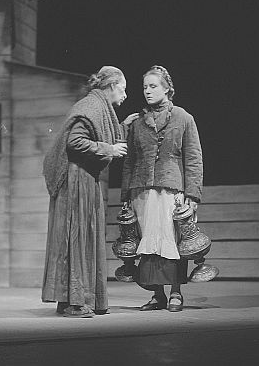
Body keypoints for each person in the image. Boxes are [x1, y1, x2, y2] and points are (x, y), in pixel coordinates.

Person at [42, 66, 138, 318]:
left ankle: (70, 300)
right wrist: (109, 149)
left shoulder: (98, 107)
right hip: (75, 181)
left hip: (82, 179)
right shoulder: (91, 107)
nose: (125, 95)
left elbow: (101, 131)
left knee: (79, 237)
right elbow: (76, 142)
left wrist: (123, 127)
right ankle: (74, 302)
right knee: (77, 237)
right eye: (123, 88)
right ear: (110, 86)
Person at [120, 65, 203, 312]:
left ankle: (176, 292)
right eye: (145, 87)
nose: (147, 91)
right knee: (148, 242)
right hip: (142, 189)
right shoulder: (137, 123)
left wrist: (193, 194)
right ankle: (157, 295)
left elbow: (193, 158)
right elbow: (129, 161)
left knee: (173, 241)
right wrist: (125, 195)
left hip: (172, 188)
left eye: (153, 86)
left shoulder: (184, 118)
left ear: (167, 89)